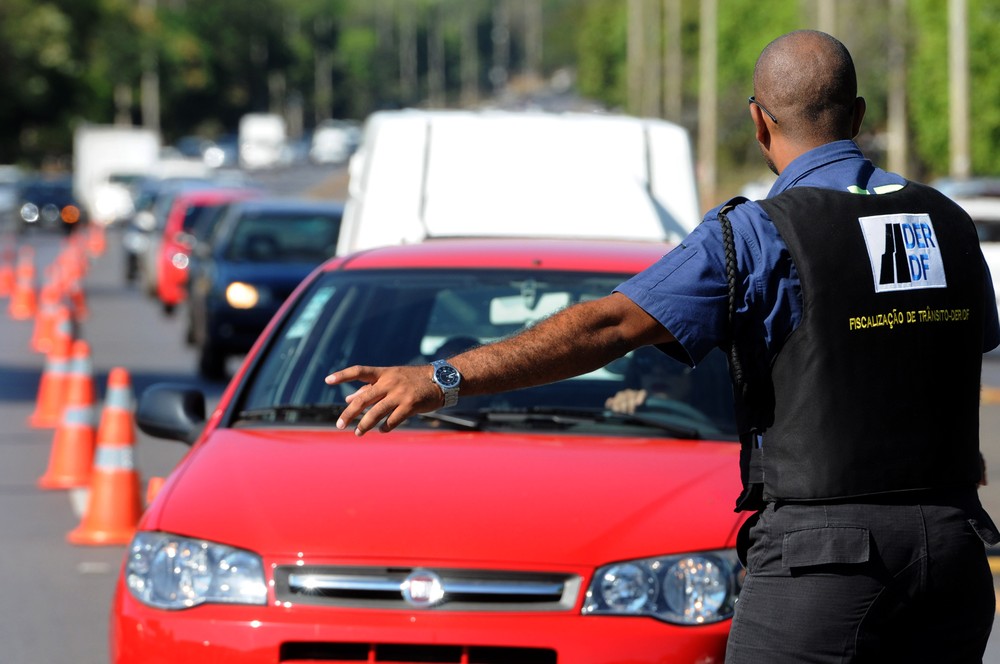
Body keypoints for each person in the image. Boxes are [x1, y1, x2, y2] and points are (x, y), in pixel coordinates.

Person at [327, 30, 1000, 663]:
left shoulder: (760, 234)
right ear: (857, 116)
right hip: (954, 557)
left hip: (824, 564)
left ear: (758, 122)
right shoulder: (946, 222)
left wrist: (443, 376)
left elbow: (608, 326)